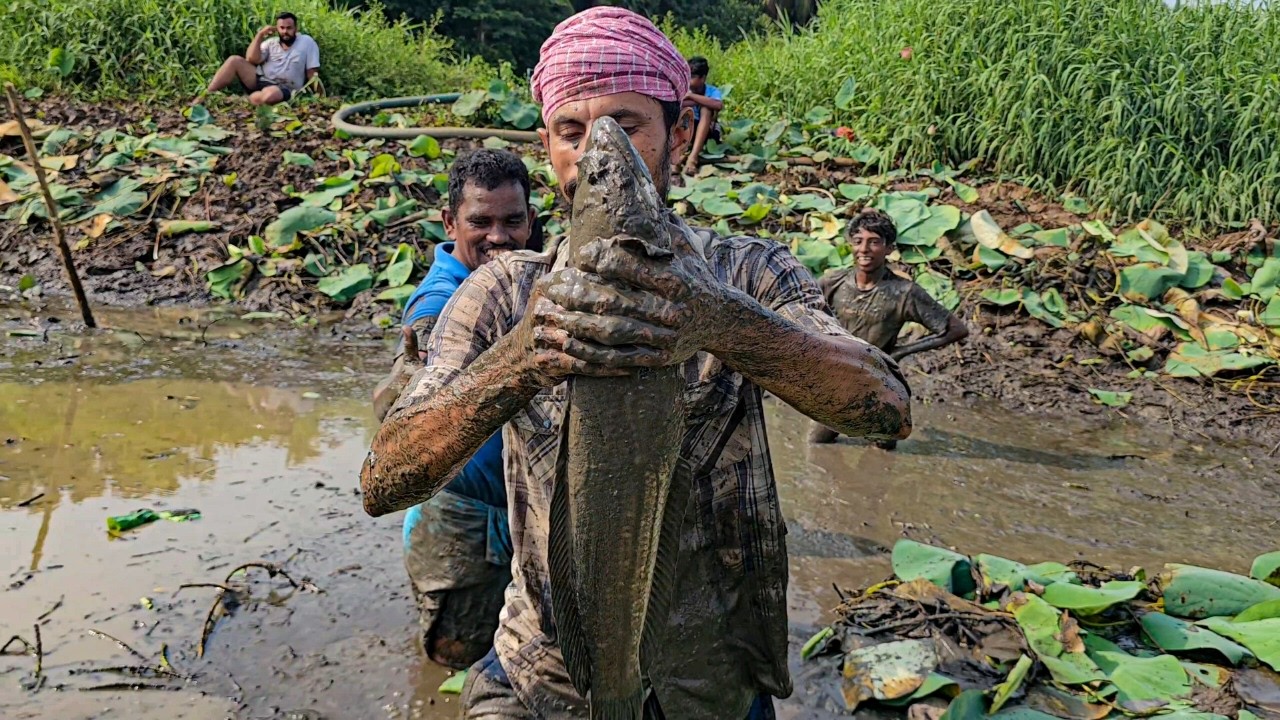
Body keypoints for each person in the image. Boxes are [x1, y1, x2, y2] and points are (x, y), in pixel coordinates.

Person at [359, 7, 912, 720]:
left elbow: (885, 406)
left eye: (628, 122)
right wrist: (525, 355)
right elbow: (385, 480)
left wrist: (720, 322)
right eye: (571, 130)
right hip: (545, 673)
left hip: (712, 680)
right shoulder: (500, 292)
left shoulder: (748, 271)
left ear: (680, 134)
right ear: (548, 147)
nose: (596, 150)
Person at [371, 149, 537, 671]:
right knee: (459, 653)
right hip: (463, 518)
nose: (499, 236)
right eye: (480, 222)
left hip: (522, 513)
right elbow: (427, 334)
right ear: (450, 223)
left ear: (531, 220)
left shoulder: (525, 279)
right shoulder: (443, 297)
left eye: (512, 221)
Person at [809, 209, 969, 447]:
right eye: (858, 242)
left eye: (874, 242)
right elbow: (804, 316)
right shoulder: (833, 283)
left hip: (879, 384)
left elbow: (955, 329)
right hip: (837, 381)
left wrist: (901, 352)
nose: (864, 249)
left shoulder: (904, 293)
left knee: (882, 452)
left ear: (889, 249)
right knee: (817, 444)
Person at [199, 12, 320, 106]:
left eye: (289, 28)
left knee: (271, 96)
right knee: (234, 60)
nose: (285, 32)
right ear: (277, 29)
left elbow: (312, 74)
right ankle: (205, 95)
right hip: (261, 79)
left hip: (284, 88)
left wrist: (320, 96)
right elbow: (251, 59)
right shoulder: (271, 43)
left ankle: (241, 100)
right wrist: (260, 35)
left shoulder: (307, 42)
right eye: (282, 28)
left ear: (296, 28)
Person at [680, 56, 725, 176]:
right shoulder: (683, 89)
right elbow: (679, 103)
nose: (688, 80)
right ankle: (679, 155)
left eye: (692, 77)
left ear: (703, 78)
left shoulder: (712, 91)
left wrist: (691, 97)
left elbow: (718, 105)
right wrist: (702, 100)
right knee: (684, 110)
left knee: (706, 109)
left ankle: (693, 158)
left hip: (709, 133)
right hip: (686, 130)